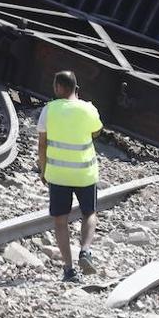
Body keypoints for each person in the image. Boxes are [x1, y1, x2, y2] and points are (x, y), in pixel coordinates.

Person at [36, 70, 104, 283]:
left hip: (58, 174)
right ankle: (85, 250)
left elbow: (42, 144)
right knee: (89, 213)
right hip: (85, 173)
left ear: (58, 88)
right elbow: (96, 132)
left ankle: (69, 269)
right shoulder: (89, 109)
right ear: (76, 88)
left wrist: (43, 169)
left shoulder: (49, 110)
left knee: (60, 221)